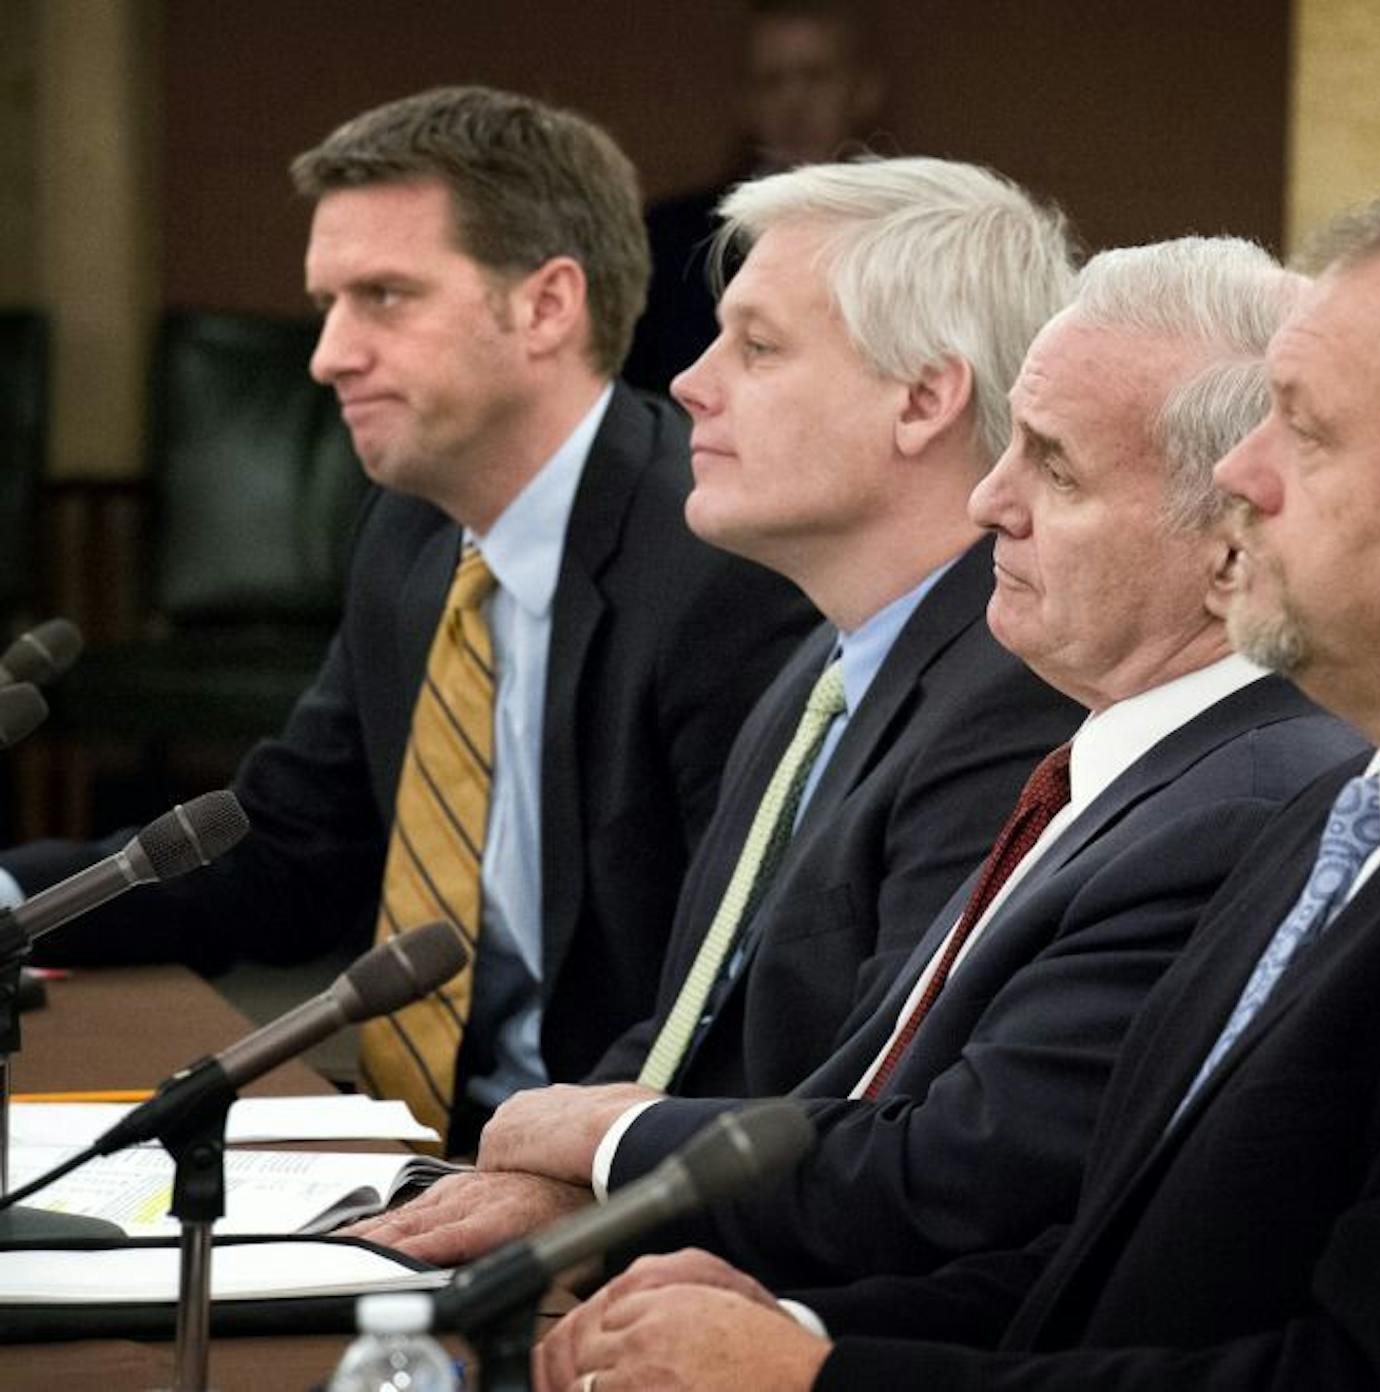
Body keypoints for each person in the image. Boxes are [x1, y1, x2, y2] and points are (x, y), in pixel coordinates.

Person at [528, 182, 1380, 1392]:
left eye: (1306, 430)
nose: (1236, 474)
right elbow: (1129, 1264)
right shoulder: (1374, 796)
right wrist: (809, 1326)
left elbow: (1371, 1379)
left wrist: (820, 1381)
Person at [356, 237, 1361, 1283]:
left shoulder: (1236, 803)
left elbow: (967, 1176)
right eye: (1009, 445)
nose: (990, 502)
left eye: (1054, 466)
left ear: (1233, 548)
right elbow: (866, 1091)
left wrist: (614, 1150)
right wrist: (598, 1179)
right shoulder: (1115, 753)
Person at [8, 86, 815, 1150]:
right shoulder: (412, 534)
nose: (327, 354)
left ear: (546, 306)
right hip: (425, 1141)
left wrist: (540, 1168)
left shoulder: (718, 562)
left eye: (384, 297)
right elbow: (291, 850)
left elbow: (740, 992)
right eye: (329, 302)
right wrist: (15, 896)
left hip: (607, 1177)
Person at [343, 154, 1083, 1246]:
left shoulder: (1014, 699)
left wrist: (586, 1177)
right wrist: (543, 1172)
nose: (691, 380)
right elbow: (691, 1026)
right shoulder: (820, 668)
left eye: (760, 346)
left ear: (924, 397)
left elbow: (883, 1122)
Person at [624, 0, 886, 394]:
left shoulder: (901, 230)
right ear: (744, 101)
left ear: (864, 90)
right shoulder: (672, 239)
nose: (794, 100)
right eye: (772, 80)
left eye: (815, 76)